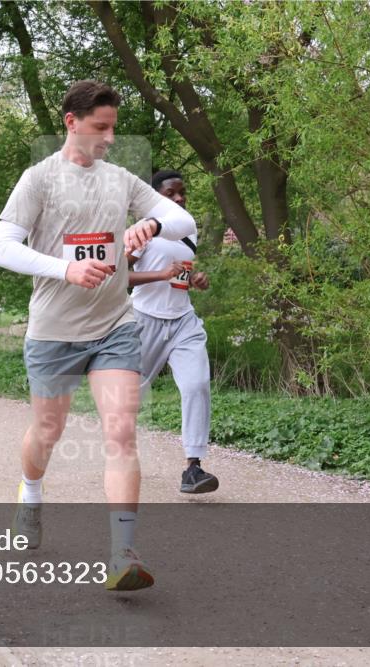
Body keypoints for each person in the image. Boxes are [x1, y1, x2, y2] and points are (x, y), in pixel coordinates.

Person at [0, 80, 196, 591]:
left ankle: (123, 552)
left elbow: (181, 217)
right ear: (71, 122)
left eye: (113, 128)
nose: (108, 137)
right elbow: (2, 248)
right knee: (48, 433)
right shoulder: (38, 180)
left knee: (121, 432)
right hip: (55, 330)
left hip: (114, 326)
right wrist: (65, 269)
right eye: (100, 127)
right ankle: (31, 494)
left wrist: (149, 224)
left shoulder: (120, 179)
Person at [128, 170, 218, 494]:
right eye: (171, 195)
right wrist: (159, 274)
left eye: (182, 193)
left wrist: (195, 281)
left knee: (196, 385)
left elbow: (179, 277)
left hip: (183, 321)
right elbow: (118, 278)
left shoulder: (189, 232)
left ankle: (193, 468)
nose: (179, 199)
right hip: (144, 321)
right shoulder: (142, 233)